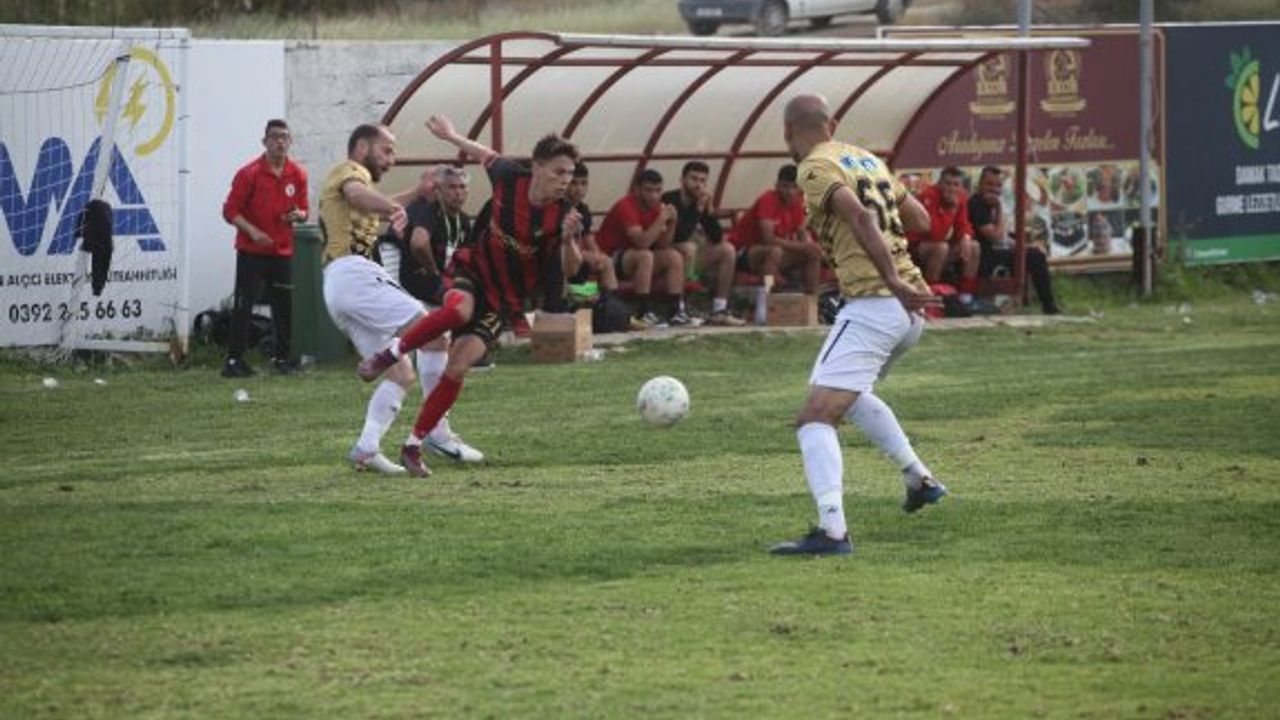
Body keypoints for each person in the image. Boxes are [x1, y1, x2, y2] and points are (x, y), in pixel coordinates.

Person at [354, 114, 583, 476]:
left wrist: (569, 241)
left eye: (570, 174)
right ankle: (390, 354)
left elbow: (572, 269)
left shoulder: (565, 216)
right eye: (559, 172)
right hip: (472, 271)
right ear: (537, 167)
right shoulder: (510, 176)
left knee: (458, 366)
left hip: (503, 300)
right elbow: (483, 153)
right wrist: (451, 136)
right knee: (459, 311)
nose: (566, 180)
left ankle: (413, 446)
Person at [770, 93, 948, 557]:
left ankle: (832, 532)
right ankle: (919, 479)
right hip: (907, 311)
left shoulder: (814, 166)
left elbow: (858, 214)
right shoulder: (868, 160)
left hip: (879, 303)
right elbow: (920, 219)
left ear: (788, 132)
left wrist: (887, 278)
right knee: (845, 394)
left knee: (815, 416)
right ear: (833, 124)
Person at [320, 123, 431, 475]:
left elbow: (371, 203)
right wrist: (394, 209)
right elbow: (357, 195)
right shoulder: (348, 171)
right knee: (430, 327)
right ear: (362, 148)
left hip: (340, 284)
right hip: (354, 275)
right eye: (386, 150)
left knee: (402, 373)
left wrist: (416, 193)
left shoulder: (363, 186)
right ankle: (439, 431)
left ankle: (366, 448)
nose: (391, 160)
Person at [374, 165, 484, 463]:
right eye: (452, 187)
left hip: (428, 290)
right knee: (429, 349)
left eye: (462, 187)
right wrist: (438, 276)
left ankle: (431, 431)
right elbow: (418, 242)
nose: (458, 193)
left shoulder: (462, 220)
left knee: (434, 347)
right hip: (410, 287)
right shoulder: (428, 211)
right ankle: (435, 432)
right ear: (439, 190)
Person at [220, 119, 308, 377]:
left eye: (284, 137)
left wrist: (299, 215)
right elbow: (230, 211)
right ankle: (234, 361)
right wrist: (253, 231)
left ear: (290, 141)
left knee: (284, 306)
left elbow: (304, 210)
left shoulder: (298, 174)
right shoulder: (249, 173)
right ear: (265, 141)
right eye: (274, 137)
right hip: (252, 252)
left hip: (282, 252)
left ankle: (282, 359)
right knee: (244, 305)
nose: (280, 141)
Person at [595, 169, 692, 328]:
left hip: (634, 257)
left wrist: (672, 223)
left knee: (673, 256)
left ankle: (676, 311)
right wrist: (661, 219)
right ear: (637, 189)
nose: (653, 196)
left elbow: (663, 245)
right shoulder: (626, 206)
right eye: (648, 190)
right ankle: (643, 312)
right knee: (645, 255)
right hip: (610, 258)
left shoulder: (657, 207)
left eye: (658, 191)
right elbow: (642, 243)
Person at [968, 166, 1061, 315]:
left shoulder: (992, 203)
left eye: (998, 185)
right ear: (979, 185)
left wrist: (1022, 246)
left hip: (995, 252)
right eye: (989, 184)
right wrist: (999, 208)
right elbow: (996, 237)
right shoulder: (977, 204)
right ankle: (1046, 305)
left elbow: (1003, 237)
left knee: (1033, 253)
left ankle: (1040, 303)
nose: (994, 189)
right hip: (982, 257)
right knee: (1033, 257)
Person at [661, 161, 745, 326]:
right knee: (688, 247)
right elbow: (679, 236)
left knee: (727, 250)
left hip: (689, 259)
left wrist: (709, 210)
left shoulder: (700, 201)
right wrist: (698, 209)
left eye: (702, 181)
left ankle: (719, 309)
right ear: (682, 180)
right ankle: (679, 310)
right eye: (694, 179)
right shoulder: (669, 200)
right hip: (667, 256)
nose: (698, 185)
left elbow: (717, 237)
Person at [731, 164, 824, 299]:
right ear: (777, 185)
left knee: (813, 252)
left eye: (794, 187)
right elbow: (768, 239)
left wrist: (810, 245)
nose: (790, 192)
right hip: (742, 252)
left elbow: (802, 232)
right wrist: (803, 246)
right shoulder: (768, 199)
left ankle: (811, 301)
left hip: (771, 254)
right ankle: (768, 296)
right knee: (774, 252)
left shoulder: (797, 202)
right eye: (785, 186)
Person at [907, 165, 989, 312]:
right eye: (948, 183)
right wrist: (951, 209)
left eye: (956, 184)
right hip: (915, 246)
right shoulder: (929, 195)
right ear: (940, 183)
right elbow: (932, 232)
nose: (951, 188)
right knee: (941, 248)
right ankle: (930, 298)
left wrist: (965, 237)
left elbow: (964, 225)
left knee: (974, 246)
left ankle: (966, 298)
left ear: (960, 186)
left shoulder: (960, 197)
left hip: (940, 245)